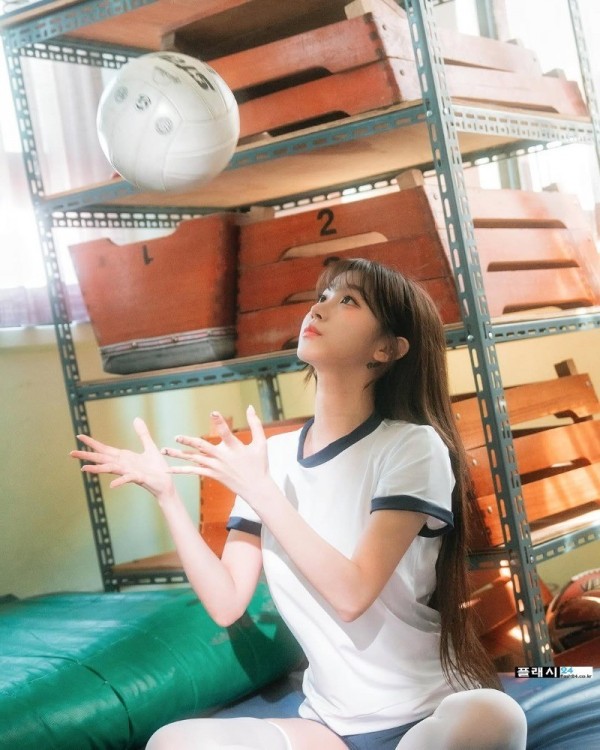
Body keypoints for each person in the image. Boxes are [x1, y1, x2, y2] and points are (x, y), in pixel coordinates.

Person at [71, 258, 527, 750]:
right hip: (330, 727)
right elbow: (226, 603)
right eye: (323, 296)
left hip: (431, 711)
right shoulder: (273, 458)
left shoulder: (412, 446)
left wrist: (261, 490)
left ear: (386, 349)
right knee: (173, 742)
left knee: (494, 714)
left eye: (348, 300)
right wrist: (166, 496)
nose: (320, 307)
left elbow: (352, 594)